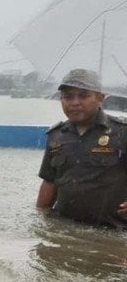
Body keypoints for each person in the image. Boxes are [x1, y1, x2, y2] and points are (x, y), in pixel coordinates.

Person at [36, 68, 127, 228]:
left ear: (100, 98)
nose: (75, 102)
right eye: (68, 97)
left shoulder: (122, 132)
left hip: (112, 232)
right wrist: (39, 221)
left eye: (83, 95)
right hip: (63, 230)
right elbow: (49, 182)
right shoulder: (56, 136)